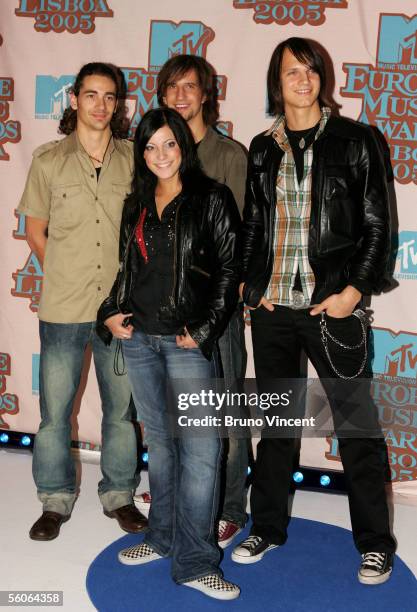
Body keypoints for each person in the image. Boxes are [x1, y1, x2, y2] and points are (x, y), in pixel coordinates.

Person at [232, 38, 396, 585]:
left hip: (333, 306)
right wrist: (250, 287)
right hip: (275, 307)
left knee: (356, 427)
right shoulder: (262, 147)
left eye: (310, 70)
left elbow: (378, 226)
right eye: (290, 72)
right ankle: (267, 527)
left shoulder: (356, 140)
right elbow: (253, 226)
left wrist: (353, 291)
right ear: (275, 84)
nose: (302, 80)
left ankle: (375, 544)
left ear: (322, 78)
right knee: (276, 427)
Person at [97, 107, 241, 600]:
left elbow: (228, 272)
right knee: (160, 446)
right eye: (150, 147)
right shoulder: (136, 200)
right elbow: (127, 269)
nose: (160, 155)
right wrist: (110, 311)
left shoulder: (211, 198)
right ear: (142, 153)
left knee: (201, 452)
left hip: (186, 344)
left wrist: (203, 331)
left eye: (169, 144)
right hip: (140, 341)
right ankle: (160, 538)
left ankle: (197, 561)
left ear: (184, 145)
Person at [18, 62, 147, 541]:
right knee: (55, 413)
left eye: (109, 97)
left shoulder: (135, 159)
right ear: (73, 100)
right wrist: (68, 271)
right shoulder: (48, 160)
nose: (100, 105)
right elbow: (35, 231)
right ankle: (54, 500)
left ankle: (119, 496)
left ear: (118, 105)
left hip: (120, 310)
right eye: (90, 95)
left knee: (120, 412)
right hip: (64, 309)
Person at [134, 54, 249, 550]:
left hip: (214, 315)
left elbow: (236, 246)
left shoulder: (228, 155)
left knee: (222, 413)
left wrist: (218, 311)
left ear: (207, 94)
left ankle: (228, 507)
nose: (180, 95)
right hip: (166, 320)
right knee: (172, 424)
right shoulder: (159, 152)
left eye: (190, 86)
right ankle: (181, 503)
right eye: (171, 87)